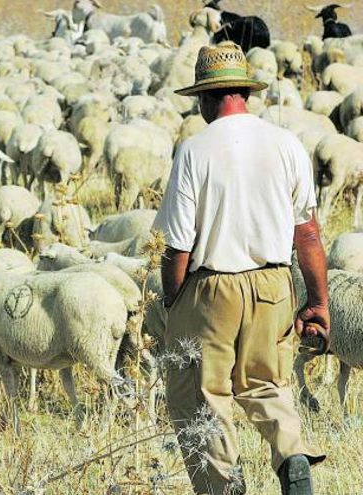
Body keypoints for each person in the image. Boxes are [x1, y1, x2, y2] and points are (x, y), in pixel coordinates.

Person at [154, 41, 329, 495]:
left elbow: (177, 248)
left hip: (212, 289)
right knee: (268, 384)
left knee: (203, 398)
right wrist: (319, 302)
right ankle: (292, 455)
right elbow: (307, 233)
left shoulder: (194, 150)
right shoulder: (286, 143)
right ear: (245, 93)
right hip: (274, 284)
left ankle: (223, 486)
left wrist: (175, 305)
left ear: (207, 98)